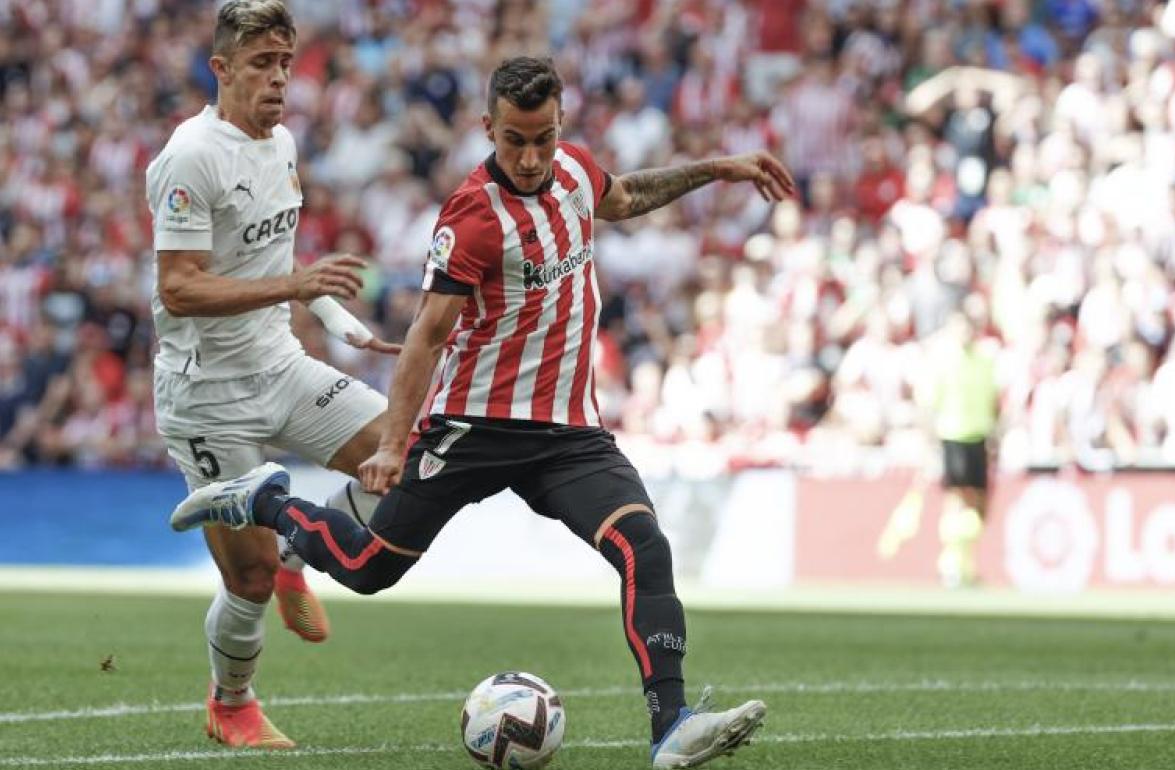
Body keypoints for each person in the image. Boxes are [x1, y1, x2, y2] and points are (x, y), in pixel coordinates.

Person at [169, 56, 796, 768]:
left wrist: (718, 168)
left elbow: (623, 196)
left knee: (643, 546)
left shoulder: (575, 171)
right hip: (473, 428)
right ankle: (269, 501)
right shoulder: (471, 217)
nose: (529, 158)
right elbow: (427, 335)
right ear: (487, 128)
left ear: (561, 126)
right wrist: (392, 444)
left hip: (568, 435)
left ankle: (672, 725)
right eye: (513, 141)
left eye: (543, 139)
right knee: (369, 569)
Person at [145, 0, 399, 750]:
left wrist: (344, 325)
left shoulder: (281, 143)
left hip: (280, 365)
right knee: (249, 581)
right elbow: (179, 288)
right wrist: (295, 287)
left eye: (285, 62)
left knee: (407, 456)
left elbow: (276, 263)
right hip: (207, 395)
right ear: (221, 69)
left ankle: (296, 544)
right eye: (261, 63)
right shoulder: (191, 155)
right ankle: (231, 705)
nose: (280, 78)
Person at [928, 310, 998, 587]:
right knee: (956, 501)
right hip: (953, 435)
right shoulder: (943, 360)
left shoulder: (984, 359)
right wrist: (929, 441)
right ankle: (951, 565)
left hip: (979, 437)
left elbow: (992, 400)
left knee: (978, 506)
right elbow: (930, 401)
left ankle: (966, 563)